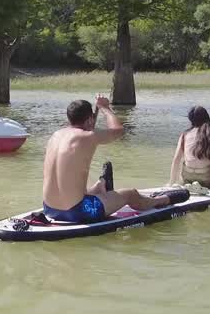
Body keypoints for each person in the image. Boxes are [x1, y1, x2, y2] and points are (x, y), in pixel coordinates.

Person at [41, 95, 188, 223]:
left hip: (49, 209)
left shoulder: (55, 136)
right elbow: (118, 131)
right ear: (89, 119)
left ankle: (99, 187)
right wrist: (105, 108)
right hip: (77, 212)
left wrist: (94, 114)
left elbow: (87, 129)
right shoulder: (89, 136)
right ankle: (163, 200)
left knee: (73, 185)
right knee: (130, 194)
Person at [169, 105, 210, 192]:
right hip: (206, 176)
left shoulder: (185, 134)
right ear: (206, 117)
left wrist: (170, 184)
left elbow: (176, 159)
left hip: (187, 175)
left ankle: (187, 185)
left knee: (184, 167)